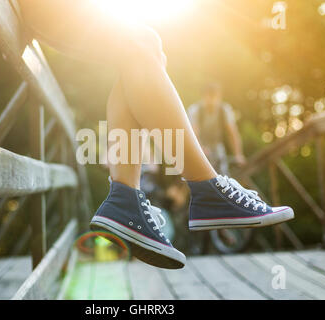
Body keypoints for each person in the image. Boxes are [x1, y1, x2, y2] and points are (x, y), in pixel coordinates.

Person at [18, 0, 294, 269]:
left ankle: (126, 198)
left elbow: (230, 132)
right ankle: (207, 188)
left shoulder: (222, 112)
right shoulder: (201, 110)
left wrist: (235, 153)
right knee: (140, 44)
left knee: (146, 46)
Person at [187, 83, 246, 175]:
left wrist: (238, 154)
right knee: (198, 175)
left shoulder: (224, 110)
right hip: (199, 146)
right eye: (209, 96)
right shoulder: (195, 110)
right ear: (203, 96)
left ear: (219, 97)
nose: (212, 100)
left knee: (223, 174)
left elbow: (233, 133)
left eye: (214, 97)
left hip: (217, 146)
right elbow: (194, 133)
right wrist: (201, 148)